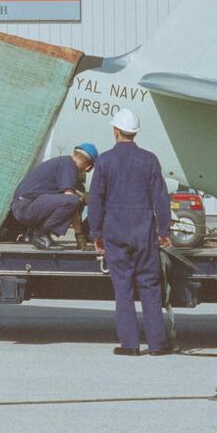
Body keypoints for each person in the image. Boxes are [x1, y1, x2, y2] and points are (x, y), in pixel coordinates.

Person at [86, 108, 172, 356]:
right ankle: (157, 344)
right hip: (144, 230)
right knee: (150, 285)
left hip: (115, 231)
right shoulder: (150, 159)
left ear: (115, 131)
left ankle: (129, 344)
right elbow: (160, 198)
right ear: (135, 133)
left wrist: (96, 233)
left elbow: (96, 199)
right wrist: (163, 229)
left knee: (123, 288)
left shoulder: (104, 161)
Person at [8, 143, 98, 249]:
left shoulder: (62, 162)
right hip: (26, 207)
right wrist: (80, 237)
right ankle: (41, 236)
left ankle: (32, 233)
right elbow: (70, 201)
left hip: (22, 207)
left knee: (73, 200)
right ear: (88, 167)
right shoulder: (69, 165)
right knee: (73, 201)